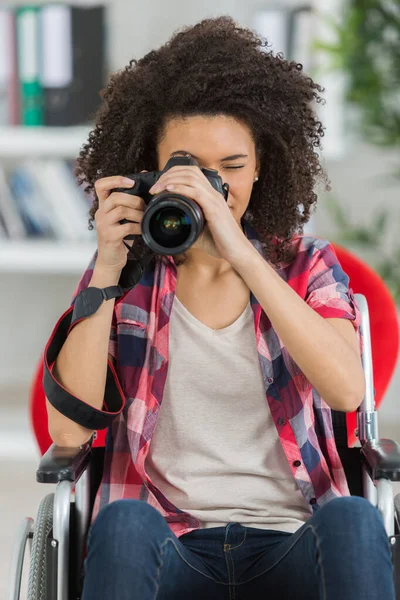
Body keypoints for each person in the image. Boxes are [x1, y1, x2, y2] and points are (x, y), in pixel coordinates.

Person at [44, 15, 395, 600]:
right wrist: (106, 272)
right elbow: (69, 430)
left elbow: (347, 392)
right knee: (122, 523)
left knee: (356, 519)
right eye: (191, 171)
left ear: (262, 165)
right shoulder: (124, 276)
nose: (214, 188)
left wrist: (242, 252)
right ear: (152, 172)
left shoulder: (308, 265)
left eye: (231, 168)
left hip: (293, 535)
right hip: (169, 544)